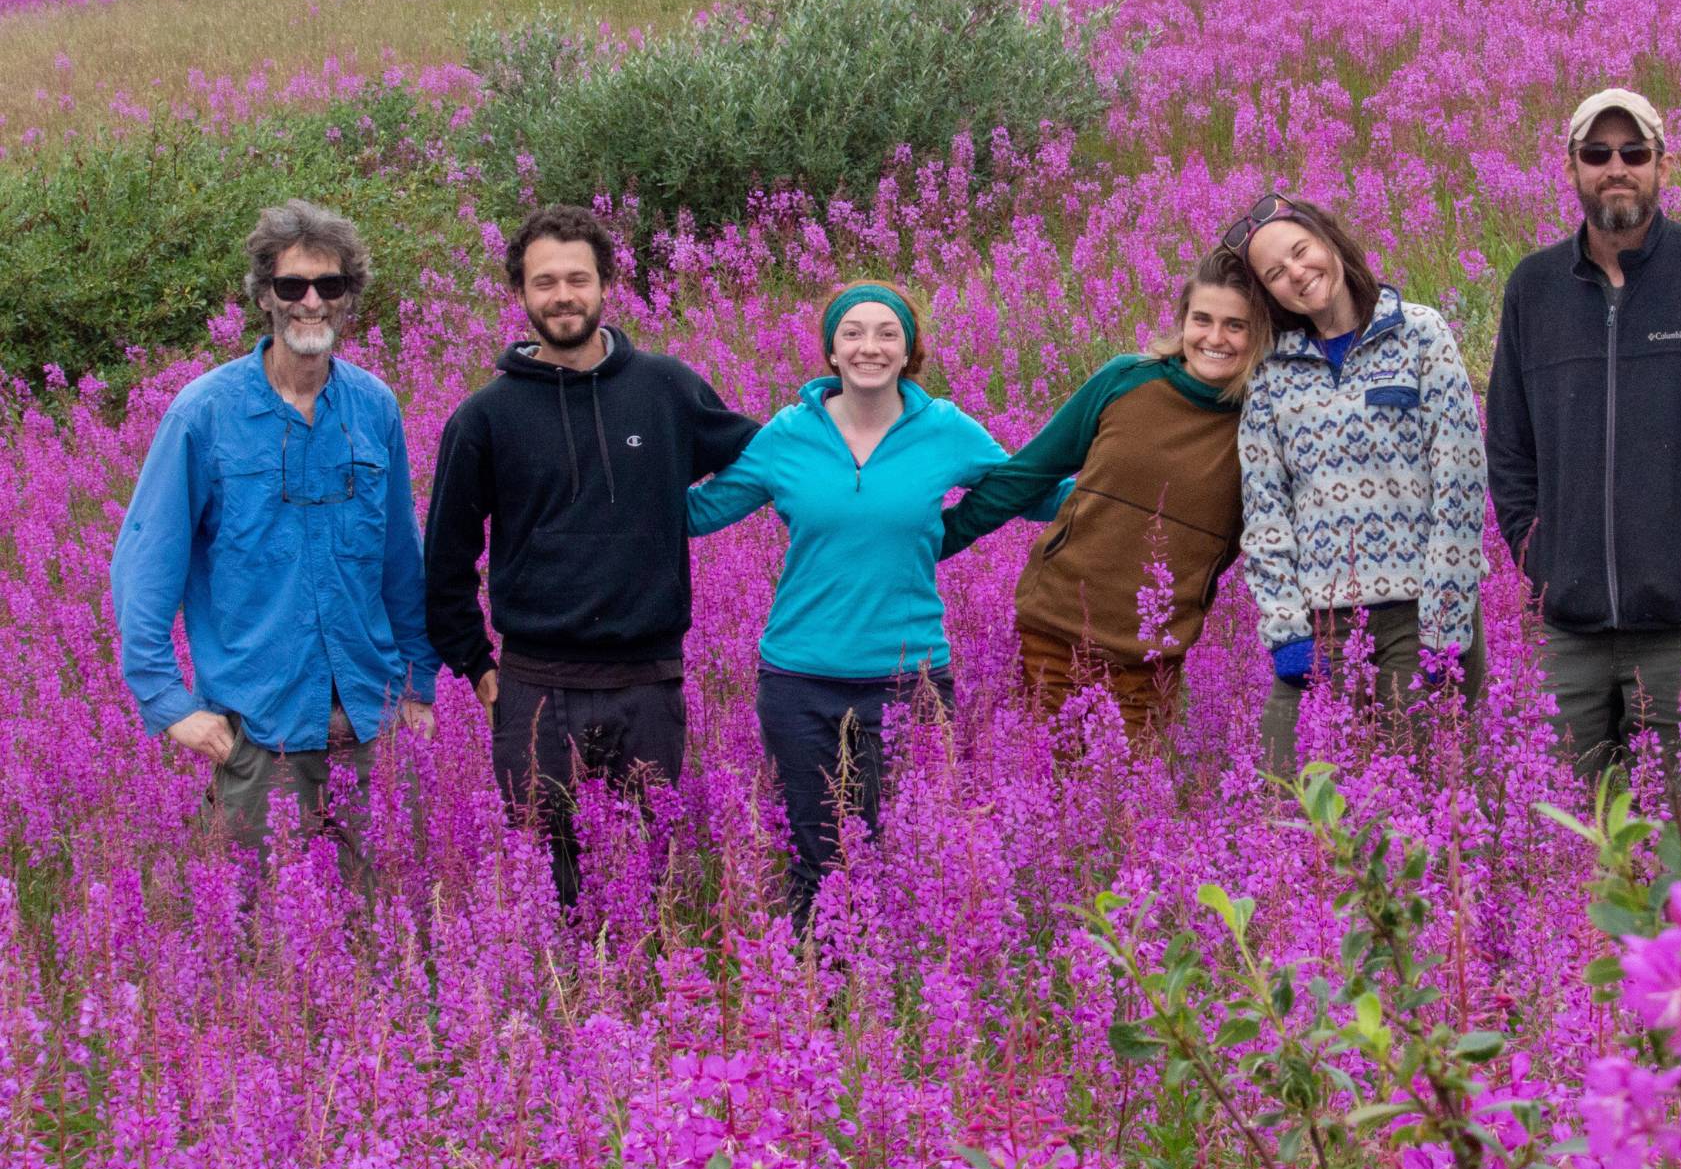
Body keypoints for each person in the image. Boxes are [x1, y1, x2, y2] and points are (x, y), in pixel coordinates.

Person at [687, 281, 1056, 921]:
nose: (870, 347)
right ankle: (820, 1005)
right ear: (831, 349)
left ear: (908, 347)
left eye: (887, 332)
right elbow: (702, 511)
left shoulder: (945, 430)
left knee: (906, 848)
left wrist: (1122, 485)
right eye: (852, 332)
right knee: (816, 857)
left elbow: (1028, 491)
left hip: (909, 680)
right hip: (799, 680)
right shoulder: (788, 435)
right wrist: (609, 483)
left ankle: (893, 1005)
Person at [424, 205, 757, 907]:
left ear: (608, 283)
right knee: (551, 886)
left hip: (648, 680)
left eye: (578, 278)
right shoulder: (483, 419)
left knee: (646, 879)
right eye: (544, 282)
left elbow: (768, 457)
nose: (563, 295)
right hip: (535, 685)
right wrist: (478, 667)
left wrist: (839, 415)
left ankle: (641, 1010)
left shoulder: (666, 389)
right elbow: (446, 559)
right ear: (520, 294)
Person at [110, 200, 437, 876]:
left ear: (350, 299)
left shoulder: (374, 406)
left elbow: (402, 558)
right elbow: (145, 562)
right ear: (264, 296)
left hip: (368, 721)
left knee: (376, 926)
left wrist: (419, 682)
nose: (310, 302)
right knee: (268, 943)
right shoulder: (204, 413)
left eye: (329, 286)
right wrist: (170, 706)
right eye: (292, 286)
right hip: (260, 730)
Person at [1485, 89, 1681, 779]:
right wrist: (1538, 554)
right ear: (1572, 169)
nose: (1614, 166)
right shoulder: (1533, 288)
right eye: (1596, 153)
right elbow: (1508, 445)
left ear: (1662, 165)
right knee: (1560, 844)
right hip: (1567, 632)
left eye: (1633, 152)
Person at [938, 246, 1270, 740]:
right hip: (1054, 628)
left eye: (1236, 326)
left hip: (1149, 657)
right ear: (1183, 321)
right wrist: (927, 546)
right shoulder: (1126, 381)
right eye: (1202, 319)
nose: (1215, 338)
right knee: (1039, 792)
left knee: (1125, 811)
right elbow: (1025, 476)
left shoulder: (1267, 421)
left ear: (1262, 334)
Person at [1231, 194, 1489, 776]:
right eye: (1275, 273)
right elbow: (1264, 509)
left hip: (1416, 617)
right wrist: (1286, 632)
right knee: (1288, 797)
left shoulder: (1420, 333)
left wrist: (1444, 628)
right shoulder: (1270, 373)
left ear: (1330, 242)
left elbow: (1460, 482)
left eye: (1301, 252)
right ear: (1268, 292)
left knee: (1415, 807)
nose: (1297, 273)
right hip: (1321, 628)